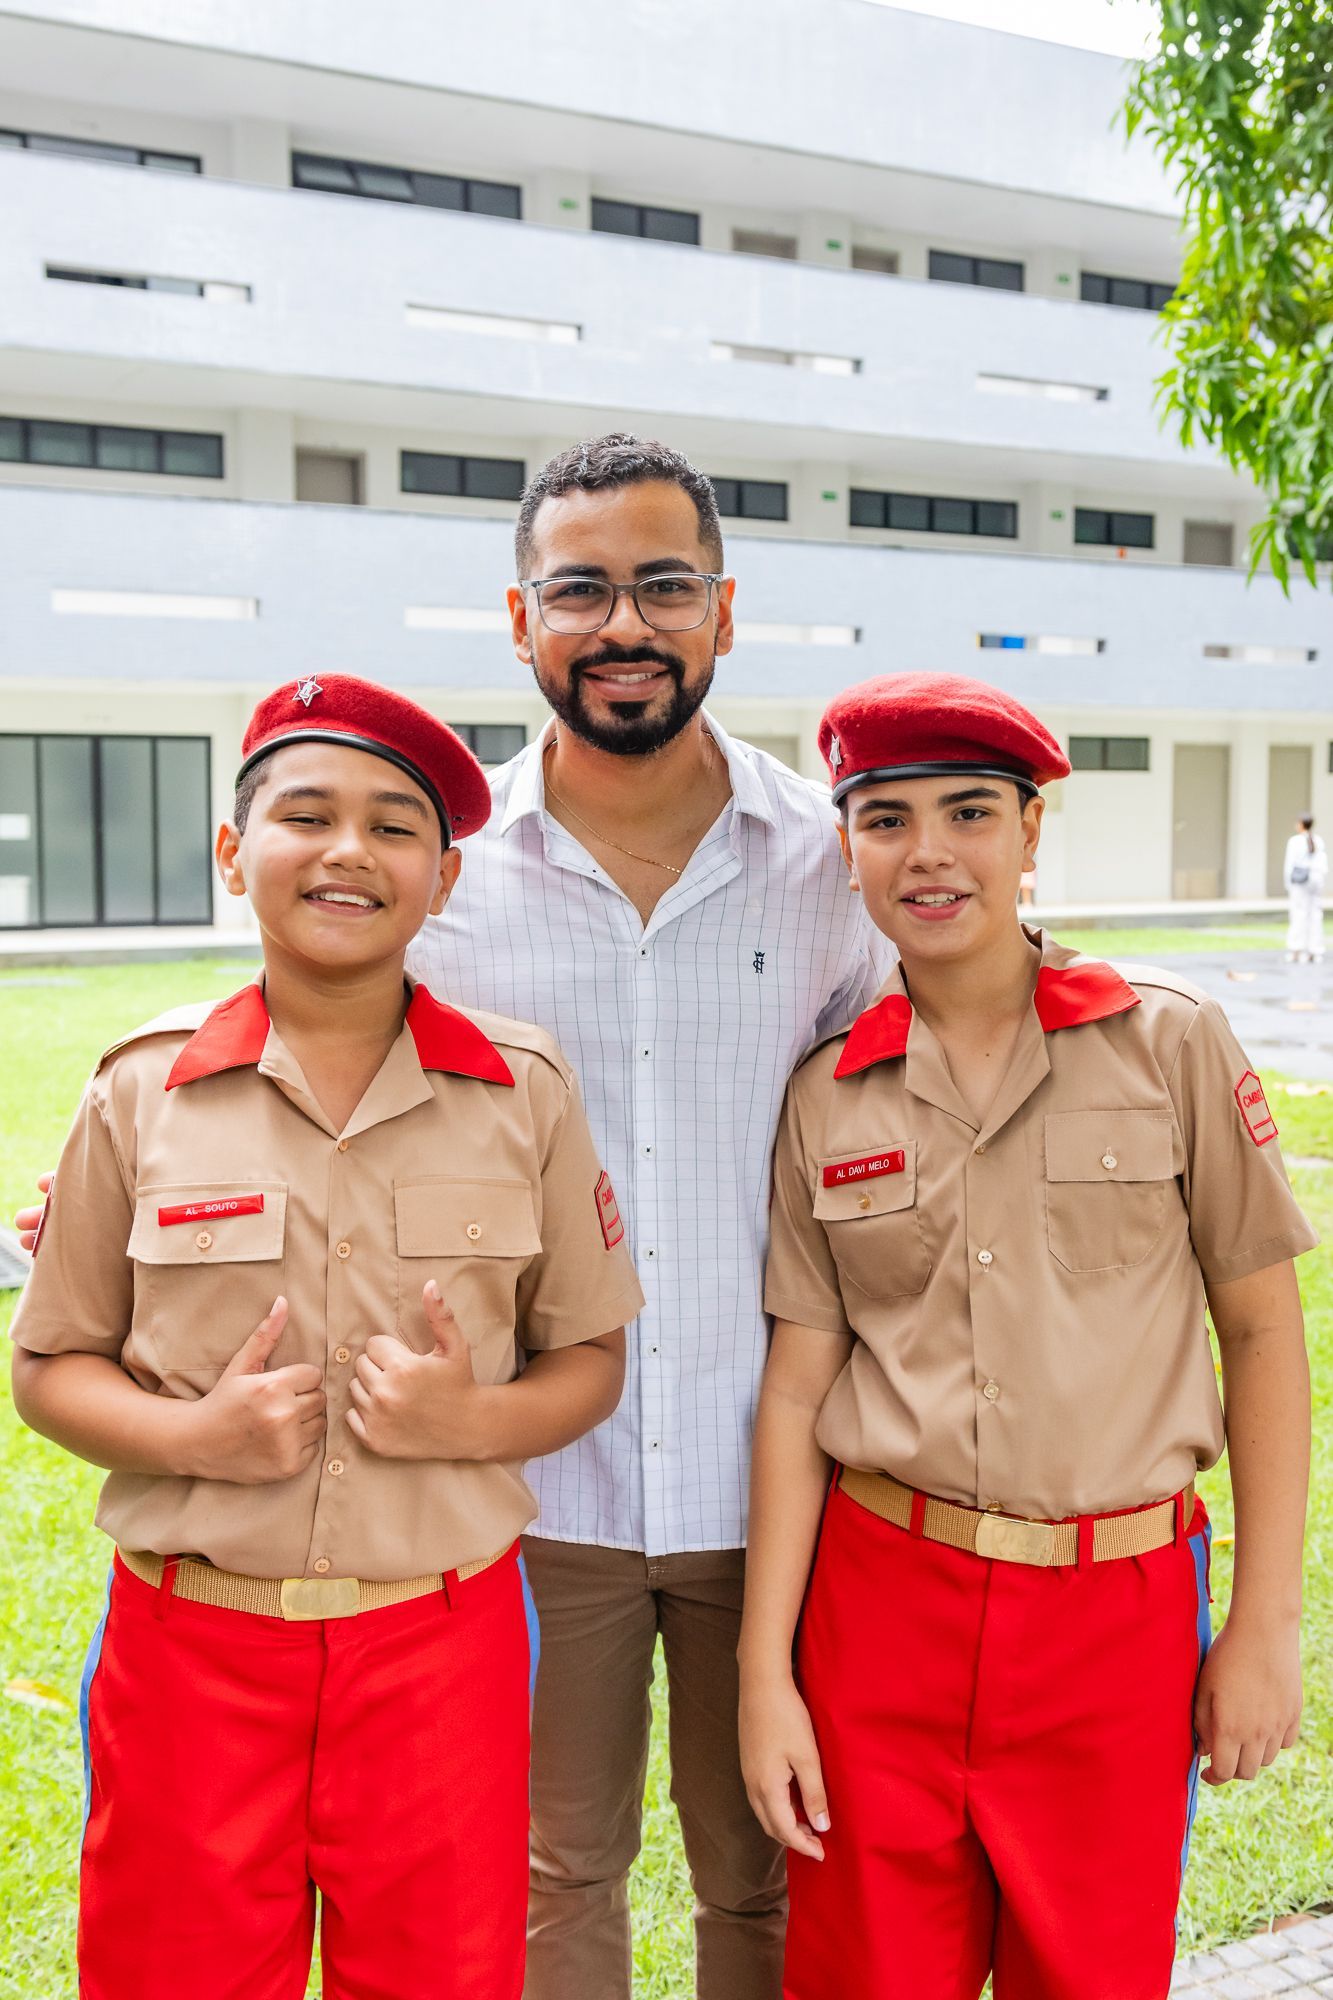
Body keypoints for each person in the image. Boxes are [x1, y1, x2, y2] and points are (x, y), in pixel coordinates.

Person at [9, 674, 642, 2000]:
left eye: (394, 826)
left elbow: (588, 1357)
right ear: (236, 854)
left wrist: (472, 1422)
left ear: (445, 879)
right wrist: (191, 1437)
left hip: (439, 1653)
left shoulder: (520, 1093)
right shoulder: (140, 1092)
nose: (350, 849)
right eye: (306, 815)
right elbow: (49, 1364)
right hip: (194, 1654)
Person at [738, 671, 1316, 2000]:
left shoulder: (1166, 1045)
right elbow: (796, 1389)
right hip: (882, 1604)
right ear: (847, 849)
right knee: (866, 1975)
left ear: (1031, 833)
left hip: (1111, 1622)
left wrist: (1264, 1626)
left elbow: (1264, 1336)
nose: (927, 853)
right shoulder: (826, 1096)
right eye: (884, 819)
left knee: (1092, 1972)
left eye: (969, 812)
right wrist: (765, 1674)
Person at [409, 434, 893, 2000]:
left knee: (772, 1868)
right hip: (541, 1486)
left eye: (664, 584)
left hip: (788, 1478)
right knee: (554, 1875)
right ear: (520, 617)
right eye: (582, 589)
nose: (625, 624)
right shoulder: (444, 877)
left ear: (724, 611)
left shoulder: (834, 865)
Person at [1284, 811, 1327, 963]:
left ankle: (1297, 949)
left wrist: (1287, 884)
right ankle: (1316, 951)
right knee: (1315, 914)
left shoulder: (1295, 841)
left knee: (1298, 913)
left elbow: (1289, 865)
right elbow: (1323, 863)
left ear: (1301, 824)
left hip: (1300, 882)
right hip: (1316, 880)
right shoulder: (1318, 840)